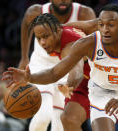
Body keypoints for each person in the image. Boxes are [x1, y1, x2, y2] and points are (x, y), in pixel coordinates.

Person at [3, 4, 118, 130]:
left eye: (46, 37)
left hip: (112, 80)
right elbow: (96, 23)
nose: (43, 43)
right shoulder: (68, 26)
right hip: (91, 83)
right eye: (39, 39)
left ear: (57, 32)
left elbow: (75, 72)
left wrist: (68, 84)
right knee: (68, 118)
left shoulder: (68, 47)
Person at [19, 0, 96, 131]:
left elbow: (92, 41)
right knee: (43, 116)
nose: (62, 0)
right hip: (41, 65)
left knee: (60, 124)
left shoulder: (84, 13)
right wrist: (24, 57)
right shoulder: (36, 12)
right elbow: (26, 25)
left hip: (67, 68)